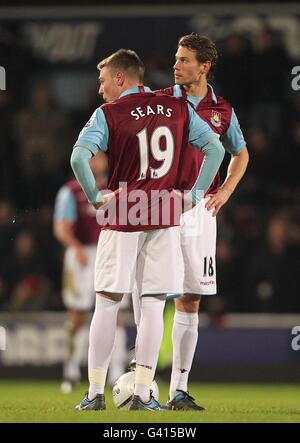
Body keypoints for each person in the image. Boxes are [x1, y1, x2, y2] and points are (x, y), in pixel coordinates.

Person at [70, 48, 225, 411]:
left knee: (108, 302)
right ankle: (142, 393)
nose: (100, 89)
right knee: (153, 303)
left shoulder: (108, 113)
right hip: (165, 215)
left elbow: (78, 157)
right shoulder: (178, 107)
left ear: (120, 78)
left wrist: (94, 196)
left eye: (103, 80)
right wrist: (195, 194)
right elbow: (215, 149)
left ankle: (94, 394)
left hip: (124, 212)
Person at [132, 33, 249, 410]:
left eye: (184, 60)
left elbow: (241, 154)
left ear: (204, 66)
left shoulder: (222, 111)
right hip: (161, 205)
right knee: (148, 295)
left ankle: (179, 390)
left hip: (200, 214)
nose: (176, 65)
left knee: (190, 298)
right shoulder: (161, 101)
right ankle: (142, 383)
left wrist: (226, 190)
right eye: (176, 58)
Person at [53, 152, 127, 393]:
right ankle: (71, 370)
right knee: (77, 313)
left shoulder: (115, 188)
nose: (97, 163)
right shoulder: (72, 190)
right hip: (81, 254)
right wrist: (75, 247)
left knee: (115, 312)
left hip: (109, 250)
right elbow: (61, 227)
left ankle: (116, 371)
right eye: (92, 158)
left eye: (101, 158)